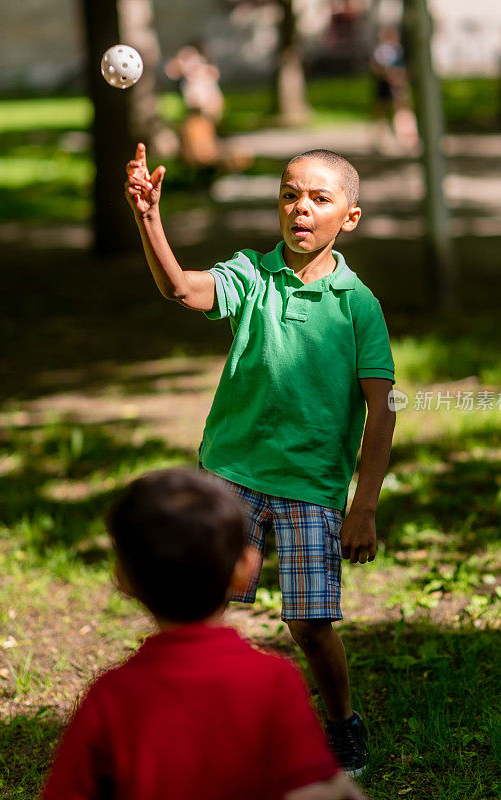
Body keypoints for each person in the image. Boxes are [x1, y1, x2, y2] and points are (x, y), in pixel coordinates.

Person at [124, 143, 396, 775]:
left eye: (320, 199)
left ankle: (341, 724)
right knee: (204, 612)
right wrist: (149, 218)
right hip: (231, 479)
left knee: (309, 624)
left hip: (311, 488)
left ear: (348, 218)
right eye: (289, 195)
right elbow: (182, 289)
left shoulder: (359, 306)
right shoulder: (252, 273)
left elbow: (382, 412)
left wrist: (364, 509)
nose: (301, 209)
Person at [41, 469, 365, 800]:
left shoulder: (110, 697)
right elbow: (313, 788)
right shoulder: (274, 681)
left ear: (121, 578)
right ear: (246, 569)